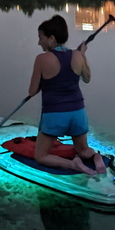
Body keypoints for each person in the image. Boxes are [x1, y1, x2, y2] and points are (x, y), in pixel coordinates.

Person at [28, 15, 105, 175]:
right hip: (78, 112)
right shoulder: (77, 56)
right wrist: (82, 55)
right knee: (83, 149)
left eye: (40, 38)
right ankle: (96, 157)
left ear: (51, 39)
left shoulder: (41, 59)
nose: (38, 42)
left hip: (55, 115)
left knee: (41, 156)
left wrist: (46, 81)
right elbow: (87, 78)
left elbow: (32, 91)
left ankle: (72, 164)